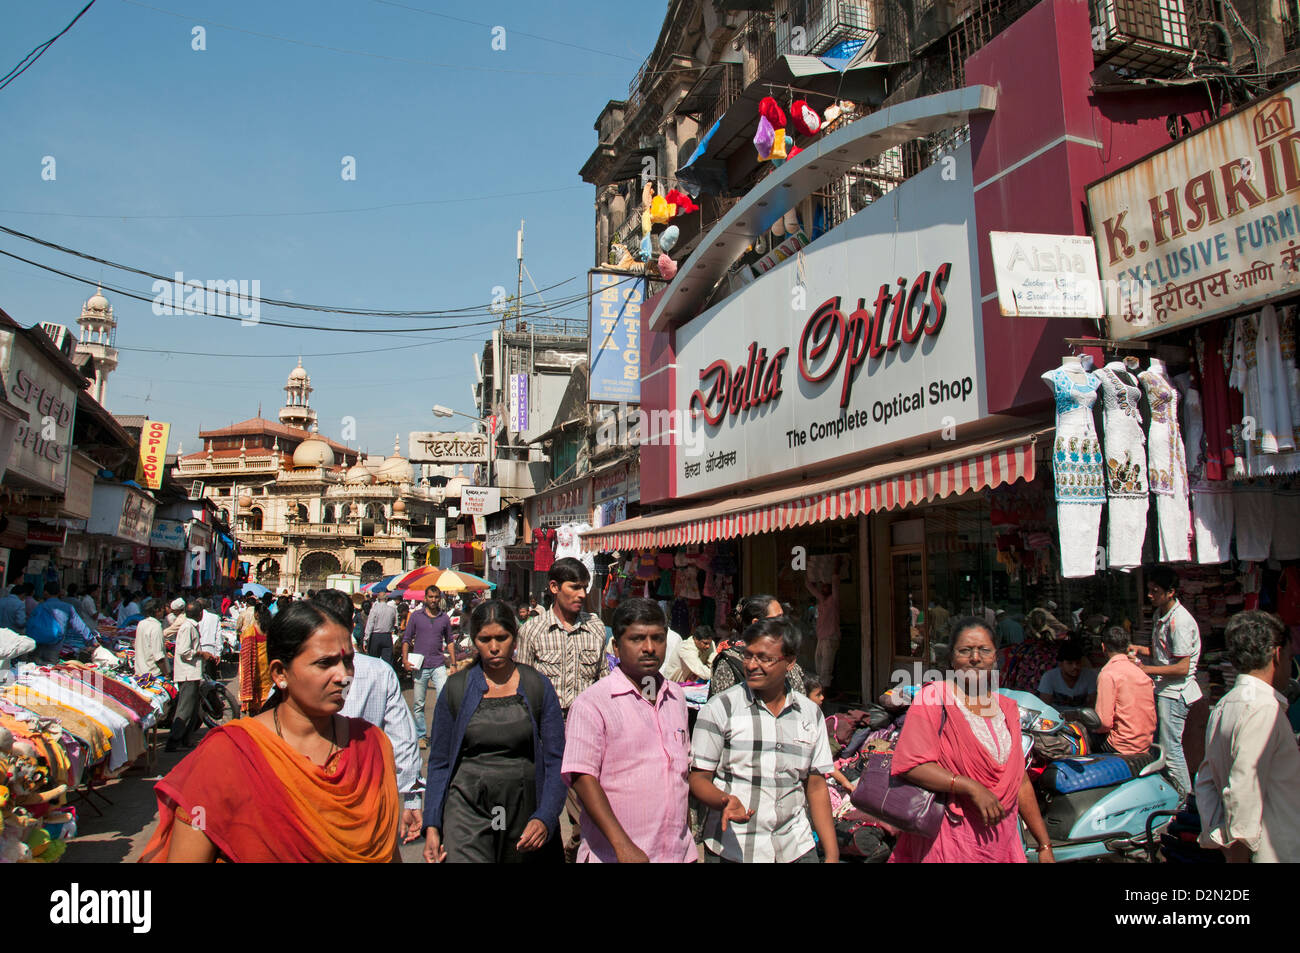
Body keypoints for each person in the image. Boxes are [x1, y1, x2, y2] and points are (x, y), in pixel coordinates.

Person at [141, 601, 400, 862]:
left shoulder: (371, 746)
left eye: (348, 662)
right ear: (279, 673)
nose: (343, 676)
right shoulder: (228, 753)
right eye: (325, 663)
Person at [889, 617, 1054, 863]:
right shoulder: (934, 699)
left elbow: (1019, 781)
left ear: (995, 658)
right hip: (950, 840)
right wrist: (970, 786)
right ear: (952, 659)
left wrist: (1044, 845)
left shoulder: (1007, 709)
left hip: (1002, 843)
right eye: (965, 650)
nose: (975, 658)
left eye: (984, 650)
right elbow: (911, 764)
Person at [423, 599, 565, 864]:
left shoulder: (537, 686)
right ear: (474, 640)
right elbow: (440, 761)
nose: (494, 647)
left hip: (523, 807)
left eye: (502, 637)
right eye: (484, 639)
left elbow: (556, 758)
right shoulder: (456, 689)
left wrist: (545, 815)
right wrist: (432, 822)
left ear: (515, 637)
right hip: (466, 808)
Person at [690, 616, 838, 863]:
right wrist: (723, 800)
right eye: (748, 655)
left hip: (796, 848)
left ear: (789, 662)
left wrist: (831, 854)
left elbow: (816, 786)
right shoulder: (720, 708)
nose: (752, 665)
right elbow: (698, 778)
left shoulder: (810, 713)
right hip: (734, 848)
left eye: (765, 658)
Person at [562, 598, 695, 863]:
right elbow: (582, 778)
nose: (649, 648)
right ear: (616, 647)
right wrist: (622, 845)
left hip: (677, 854)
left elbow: (679, 775)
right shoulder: (593, 704)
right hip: (616, 856)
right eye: (637, 639)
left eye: (657, 638)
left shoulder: (676, 697)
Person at [311, 589, 424, 845]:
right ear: (354, 622)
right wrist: (412, 798)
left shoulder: (295, 671)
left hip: (310, 794)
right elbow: (403, 740)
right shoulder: (379, 671)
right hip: (364, 794)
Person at [516, 557, 609, 861]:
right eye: (575, 587)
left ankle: (575, 852)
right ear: (554, 587)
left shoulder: (596, 629)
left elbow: (603, 682)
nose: (582, 594)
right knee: (545, 808)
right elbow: (523, 686)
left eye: (585, 587)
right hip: (547, 732)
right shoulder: (533, 630)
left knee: (589, 812)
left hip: (587, 732)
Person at [1195, 611, 1300, 863]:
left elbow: (1206, 781)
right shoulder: (1263, 708)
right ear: (1276, 655)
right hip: (1274, 851)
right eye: (1289, 657)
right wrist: (1238, 850)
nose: (1289, 665)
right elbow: (1244, 785)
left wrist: (1221, 840)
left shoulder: (1224, 705)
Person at [1132, 567, 1202, 797]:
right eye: (1149, 590)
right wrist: (1138, 650)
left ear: (1171, 592)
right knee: (1166, 747)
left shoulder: (1180, 622)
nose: (1150, 595)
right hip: (1165, 690)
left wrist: (1146, 669)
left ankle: (1186, 802)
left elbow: (1182, 667)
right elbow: (1162, 652)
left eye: (1155, 591)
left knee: (1171, 750)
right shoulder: (1161, 615)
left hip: (1175, 692)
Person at [709, 594, 807, 698]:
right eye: (777, 618)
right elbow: (721, 709)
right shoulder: (729, 663)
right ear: (756, 623)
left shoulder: (786, 660)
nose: (783, 623)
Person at [402, 586, 456, 748]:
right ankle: (421, 736)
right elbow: (406, 639)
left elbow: (450, 641)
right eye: (431, 597)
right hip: (420, 666)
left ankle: (441, 735)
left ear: (440, 599)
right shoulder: (416, 617)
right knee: (419, 704)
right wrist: (405, 660)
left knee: (443, 701)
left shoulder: (444, 618)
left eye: (436, 597)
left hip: (438, 664)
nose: (433, 600)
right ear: (425, 598)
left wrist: (453, 664)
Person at [1093, 626, 1156, 755]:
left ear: (1103, 647)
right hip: (1145, 742)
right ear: (1127, 648)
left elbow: (1103, 722)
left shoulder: (1108, 674)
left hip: (1121, 745)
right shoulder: (1140, 672)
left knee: (1078, 736)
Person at [165, 601, 204, 753]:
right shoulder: (187, 627)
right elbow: (183, 651)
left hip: (193, 673)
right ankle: (173, 741)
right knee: (184, 710)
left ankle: (186, 739)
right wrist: (201, 654)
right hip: (187, 674)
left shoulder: (191, 626)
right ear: (199, 613)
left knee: (193, 709)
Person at [25, 583, 95, 664]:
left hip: (38, 644)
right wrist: (92, 640)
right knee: (50, 669)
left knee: (34, 668)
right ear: (59, 593)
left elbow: (29, 625)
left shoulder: (39, 607)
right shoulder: (68, 607)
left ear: (45, 593)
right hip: (55, 645)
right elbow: (80, 627)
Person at [806, 562, 841, 687]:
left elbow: (836, 581)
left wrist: (837, 565)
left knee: (825, 671)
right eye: (823, 586)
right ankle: (822, 695)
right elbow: (809, 586)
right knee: (819, 669)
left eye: (827, 586)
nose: (823, 588)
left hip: (830, 638)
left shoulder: (833, 600)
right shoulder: (821, 599)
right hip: (822, 638)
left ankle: (825, 697)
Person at [1036, 641, 1098, 708]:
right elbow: (1044, 707)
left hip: (1081, 716)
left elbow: (1093, 704)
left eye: (1078, 662)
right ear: (1061, 664)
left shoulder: (1090, 675)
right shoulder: (1049, 677)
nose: (1075, 667)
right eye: (1070, 663)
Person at [135, 599, 169, 679]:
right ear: (157, 610)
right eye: (162, 609)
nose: (164, 611)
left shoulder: (141, 623)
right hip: (153, 674)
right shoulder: (156, 627)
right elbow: (158, 656)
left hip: (140, 671)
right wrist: (166, 674)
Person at [364, 592, 399, 669]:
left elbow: (370, 624)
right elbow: (396, 624)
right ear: (386, 599)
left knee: (373, 660)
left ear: (378, 599)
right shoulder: (392, 610)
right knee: (388, 662)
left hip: (375, 636)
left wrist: (366, 638)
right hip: (387, 636)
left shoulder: (374, 609)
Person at [198, 598, 223, 681]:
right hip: (211, 651)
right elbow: (218, 636)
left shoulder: (194, 618)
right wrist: (218, 652)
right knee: (211, 678)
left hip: (198, 651)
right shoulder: (215, 617)